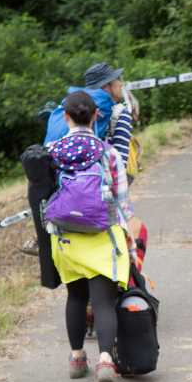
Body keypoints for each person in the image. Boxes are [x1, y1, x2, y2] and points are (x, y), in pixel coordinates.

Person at [46, 90, 135, 382]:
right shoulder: (107, 151)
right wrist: (127, 233)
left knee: (75, 296)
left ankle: (76, 359)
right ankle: (107, 361)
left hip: (65, 238)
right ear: (97, 116)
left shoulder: (52, 151)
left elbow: (43, 195)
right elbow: (122, 200)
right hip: (101, 234)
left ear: (66, 117)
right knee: (102, 301)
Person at [23, 62, 133, 256]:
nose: (121, 84)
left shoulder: (69, 107)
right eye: (118, 80)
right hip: (97, 206)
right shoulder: (118, 113)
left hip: (62, 205)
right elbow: (120, 165)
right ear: (106, 86)